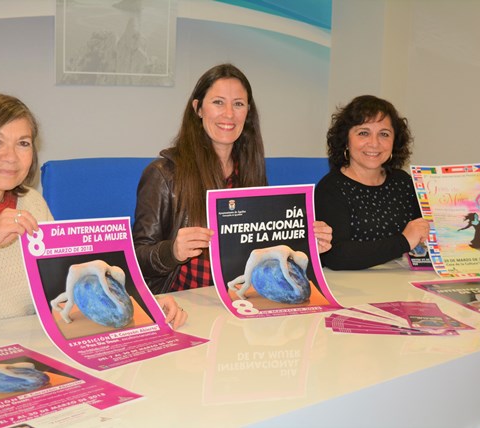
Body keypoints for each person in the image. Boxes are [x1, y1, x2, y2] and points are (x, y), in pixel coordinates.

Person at [0, 93, 186, 337]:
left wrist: (141, 303)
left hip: (33, 344)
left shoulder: (31, 202)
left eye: (23, 143)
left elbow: (65, 285)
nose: (10, 157)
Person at [133, 63, 332, 294]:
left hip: (241, 298)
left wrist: (304, 246)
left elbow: (261, 247)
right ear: (198, 108)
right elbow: (137, 257)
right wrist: (172, 251)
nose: (229, 114)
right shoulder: (163, 173)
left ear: (247, 112)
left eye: (238, 104)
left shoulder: (250, 171)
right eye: (218, 102)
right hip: (185, 303)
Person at [314, 95, 430, 270]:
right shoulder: (330, 188)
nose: (374, 143)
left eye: (384, 134)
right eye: (363, 133)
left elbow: (423, 236)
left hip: (401, 280)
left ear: (394, 141)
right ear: (346, 140)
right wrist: (404, 241)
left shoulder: (403, 182)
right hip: (352, 288)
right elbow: (335, 255)